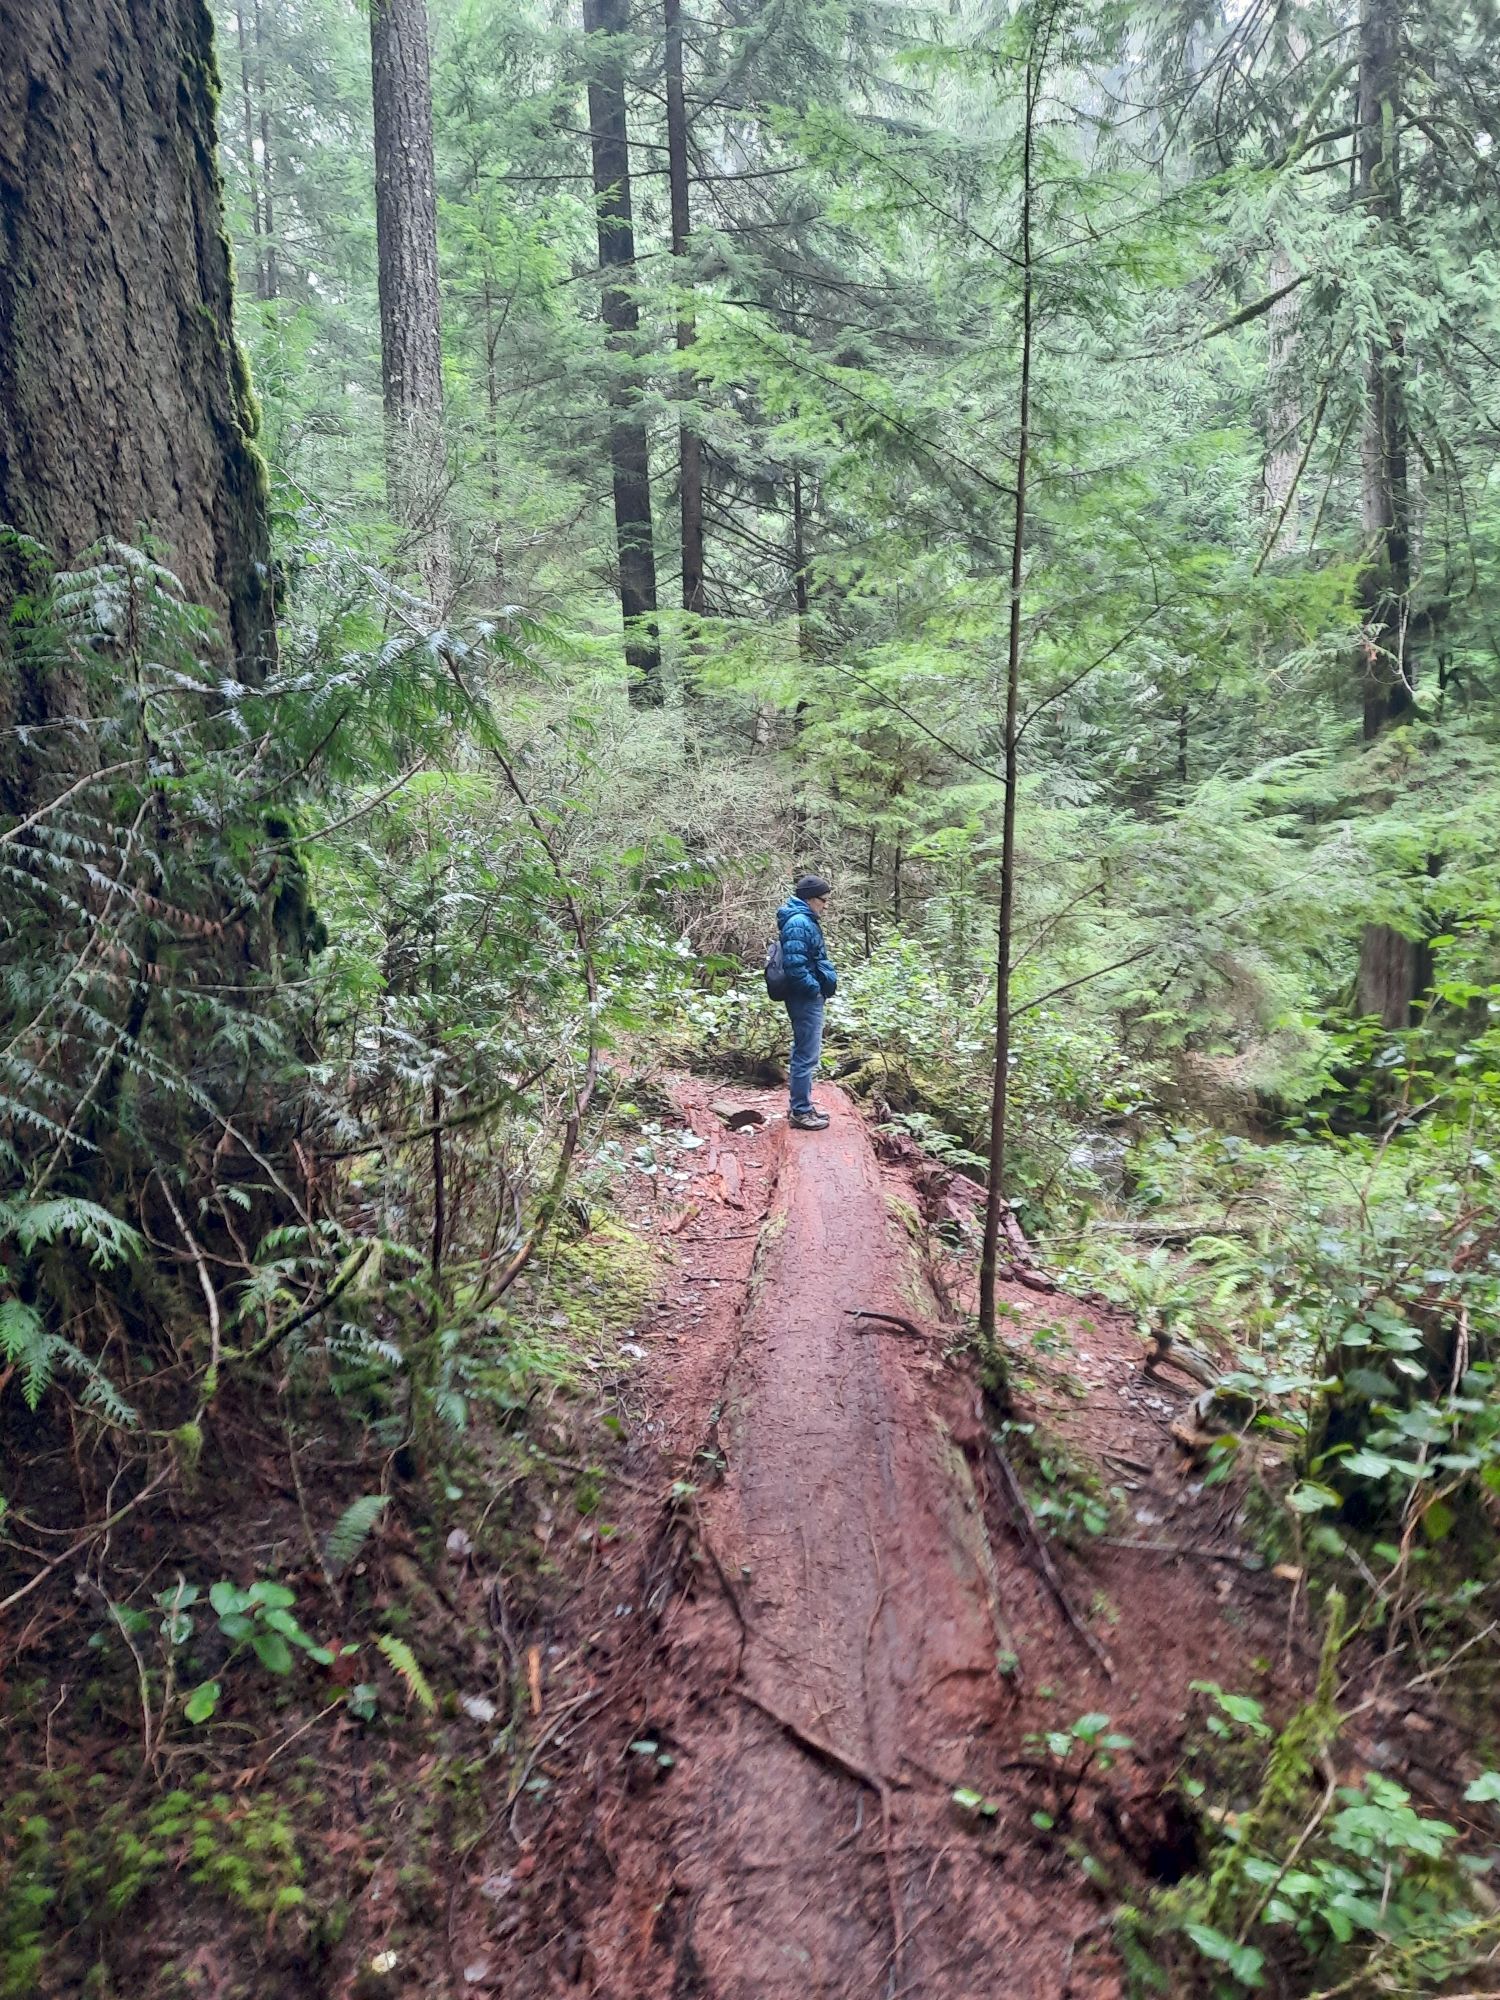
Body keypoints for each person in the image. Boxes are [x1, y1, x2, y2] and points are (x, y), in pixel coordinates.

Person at [776, 874, 837, 1131]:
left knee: (804, 1051)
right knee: (806, 1055)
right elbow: (795, 966)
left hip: (806, 997)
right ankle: (800, 1112)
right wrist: (814, 991)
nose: (825, 905)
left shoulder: (802, 920)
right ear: (811, 899)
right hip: (804, 998)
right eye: (823, 900)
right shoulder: (799, 922)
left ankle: (802, 1105)